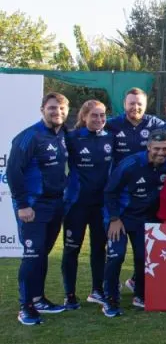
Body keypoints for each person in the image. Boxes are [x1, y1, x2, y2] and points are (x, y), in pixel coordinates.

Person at [9, 92, 71, 325]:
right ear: (42, 109)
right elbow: (13, 172)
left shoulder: (63, 134)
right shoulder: (29, 136)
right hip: (33, 206)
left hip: (56, 204)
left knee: (42, 254)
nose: (57, 112)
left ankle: (38, 299)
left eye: (62, 108)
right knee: (32, 255)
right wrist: (23, 205)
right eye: (52, 108)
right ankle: (25, 307)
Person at [102, 130, 166, 317]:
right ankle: (110, 299)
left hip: (145, 219)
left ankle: (140, 295)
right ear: (148, 146)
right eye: (157, 148)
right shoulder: (131, 164)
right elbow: (110, 192)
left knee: (145, 258)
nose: (161, 153)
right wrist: (114, 219)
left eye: (165, 149)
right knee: (116, 256)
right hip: (120, 217)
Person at [62, 99, 114, 309]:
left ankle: (97, 291)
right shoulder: (72, 138)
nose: (99, 119)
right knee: (71, 249)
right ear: (84, 117)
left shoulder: (109, 137)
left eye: (102, 115)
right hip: (76, 204)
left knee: (99, 248)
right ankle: (70, 295)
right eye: (94, 115)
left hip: (100, 205)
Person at [106, 87, 166, 166]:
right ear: (124, 104)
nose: (135, 107)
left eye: (139, 104)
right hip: (122, 172)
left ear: (145, 105)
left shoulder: (156, 124)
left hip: (147, 172)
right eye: (132, 103)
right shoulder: (112, 124)